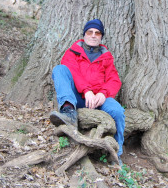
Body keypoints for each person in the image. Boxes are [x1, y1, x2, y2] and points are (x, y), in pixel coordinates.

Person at [50, 19, 125, 163]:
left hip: (99, 99)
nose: (93, 35)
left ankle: (117, 153)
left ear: (101, 36)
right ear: (84, 34)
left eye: (97, 33)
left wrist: (103, 93)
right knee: (59, 70)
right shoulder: (73, 52)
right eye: (90, 32)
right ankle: (68, 112)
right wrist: (86, 91)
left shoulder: (106, 57)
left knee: (118, 112)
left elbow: (114, 80)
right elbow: (72, 71)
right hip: (78, 96)